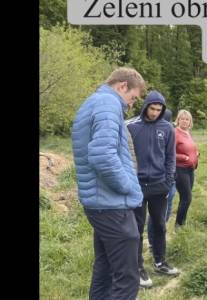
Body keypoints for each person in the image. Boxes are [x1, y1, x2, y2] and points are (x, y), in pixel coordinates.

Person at [71, 67, 145, 300]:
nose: (132, 105)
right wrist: (128, 186)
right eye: (133, 98)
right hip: (112, 203)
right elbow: (102, 155)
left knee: (105, 271)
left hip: (101, 202)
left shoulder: (94, 102)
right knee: (127, 278)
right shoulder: (108, 104)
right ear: (122, 86)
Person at [127, 91, 180, 288]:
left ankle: (160, 262)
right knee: (137, 229)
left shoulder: (167, 128)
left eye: (159, 110)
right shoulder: (131, 127)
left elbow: (170, 157)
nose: (155, 113)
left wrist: (168, 181)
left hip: (159, 186)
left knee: (159, 225)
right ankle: (138, 268)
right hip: (138, 186)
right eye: (152, 108)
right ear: (146, 106)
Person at [147, 109, 177, 250]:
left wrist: (169, 180)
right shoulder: (155, 133)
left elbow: (171, 157)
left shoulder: (168, 131)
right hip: (158, 179)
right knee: (156, 215)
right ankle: (153, 241)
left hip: (168, 179)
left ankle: (158, 238)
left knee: (167, 207)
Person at [174, 109, 199, 230]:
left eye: (187, 119)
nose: (185, 121)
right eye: (182, 119)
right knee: (187, 198)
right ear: (178, 120)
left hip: (190, 169)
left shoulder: (188, 133)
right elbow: (169, 153)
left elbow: (189, 148)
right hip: (180, 169)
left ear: (190, 122)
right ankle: (178, 225)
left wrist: (196, 153)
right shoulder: (175, 133)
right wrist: (183, 157)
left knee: (185, 198)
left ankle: (182, 222)